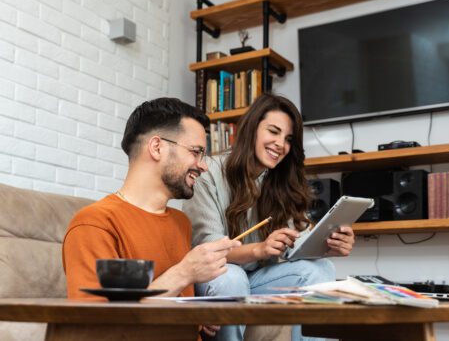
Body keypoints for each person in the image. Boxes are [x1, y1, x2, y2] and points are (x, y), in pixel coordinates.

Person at [63, 97, 240, 338]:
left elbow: (173, 306)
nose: (203, 166)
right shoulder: (94, 224)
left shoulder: (180, 223)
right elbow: (97, 324)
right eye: (196, 152)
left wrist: (197, 317)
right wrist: (184, 273)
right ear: (157, 147)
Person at [183, 94, 355, 341]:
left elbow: (299, 243)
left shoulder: (281, 183)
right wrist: (259, 250)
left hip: (257, 281)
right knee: (232, 276)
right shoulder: (209, 174)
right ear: (252, 129)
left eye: (287, 139)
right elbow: (209, 251)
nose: (280, 144)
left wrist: (328, 246)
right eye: (273, 132)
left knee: (321, 269)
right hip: (218, 277)